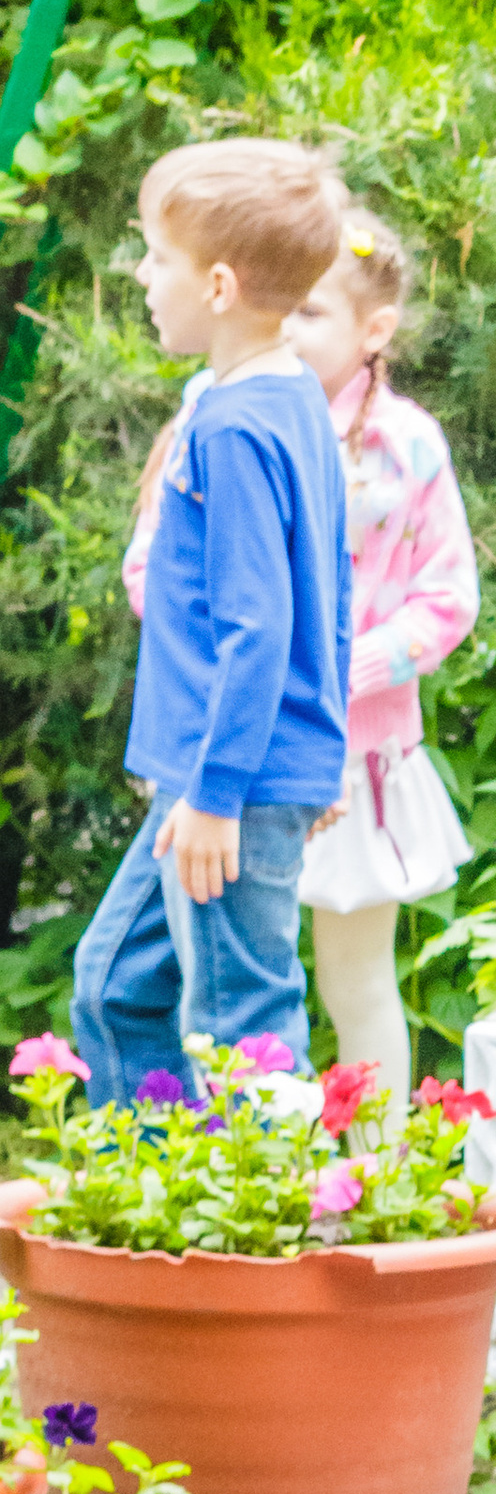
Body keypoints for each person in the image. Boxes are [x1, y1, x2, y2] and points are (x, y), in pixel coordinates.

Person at [126, 206, 481, 1108]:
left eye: (314, 314)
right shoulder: (221, 405)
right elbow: (162, 554)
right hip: (232, 747)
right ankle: (245, 1167)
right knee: (222, 972)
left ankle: (377, 1169)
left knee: (350, 983)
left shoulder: (406, 446)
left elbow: (448, 599)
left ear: (376, 331)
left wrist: (338, 673)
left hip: (350, 759)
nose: (290, 327)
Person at [72, 140, 351, 1101]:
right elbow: (330, 594)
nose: (143, 278)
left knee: (241, 1037)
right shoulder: (276, 399)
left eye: (156, 257)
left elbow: (264, 626)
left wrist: (222, 792)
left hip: (223, 787)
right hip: (209, 780)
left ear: (221, 285)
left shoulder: (239, 428)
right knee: (115, 990)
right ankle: (150, 1206)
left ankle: (262, 1234)